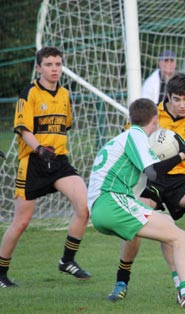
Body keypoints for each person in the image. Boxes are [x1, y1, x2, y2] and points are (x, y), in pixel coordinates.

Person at [106, 73, 185, 303]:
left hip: (181, 179)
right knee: (134, 223)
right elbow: (128, 142)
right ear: (168, 97)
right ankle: (121, 280)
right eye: (177, 99)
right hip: (150, 179)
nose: (183, 104)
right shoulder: (150, 116)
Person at [87, 97, 185, 308]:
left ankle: (182, 287)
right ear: (155, 119)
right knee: (181, 237)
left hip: (101, 207)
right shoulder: (136, 137)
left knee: (169, 227)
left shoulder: (123, 137)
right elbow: (153, 173)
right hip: (112, 202)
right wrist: (182, 154)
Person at [0, 46, 91, 288]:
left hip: (59, 162)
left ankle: (67, 261)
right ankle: (1, 273)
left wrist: (51, 150)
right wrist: (40, 148)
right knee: (21, 222)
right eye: (49, 64)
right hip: (33, 163)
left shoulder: (64, 95)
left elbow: (64, 127)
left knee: (84, 207)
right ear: (38, 67)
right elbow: (23, 129)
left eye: (58, 64)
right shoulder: (29, 93)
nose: (54, 69)